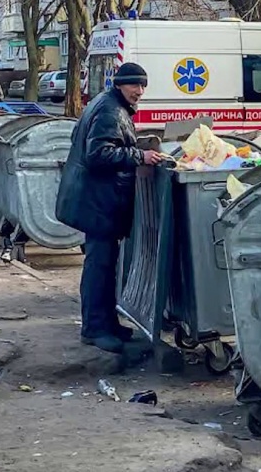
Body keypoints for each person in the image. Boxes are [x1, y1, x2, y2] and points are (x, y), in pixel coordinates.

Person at [56, 63, 163, 353]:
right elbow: (99, 154)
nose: (139, 91)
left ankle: (107, 323)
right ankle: (94, 328)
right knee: (99, 266)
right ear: (120, 85)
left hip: (95, 199)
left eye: (143, 86)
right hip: (98, 202)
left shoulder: (105, 103)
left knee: (103, 264)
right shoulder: (111, 111)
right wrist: (138, 155)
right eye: (134, 85)